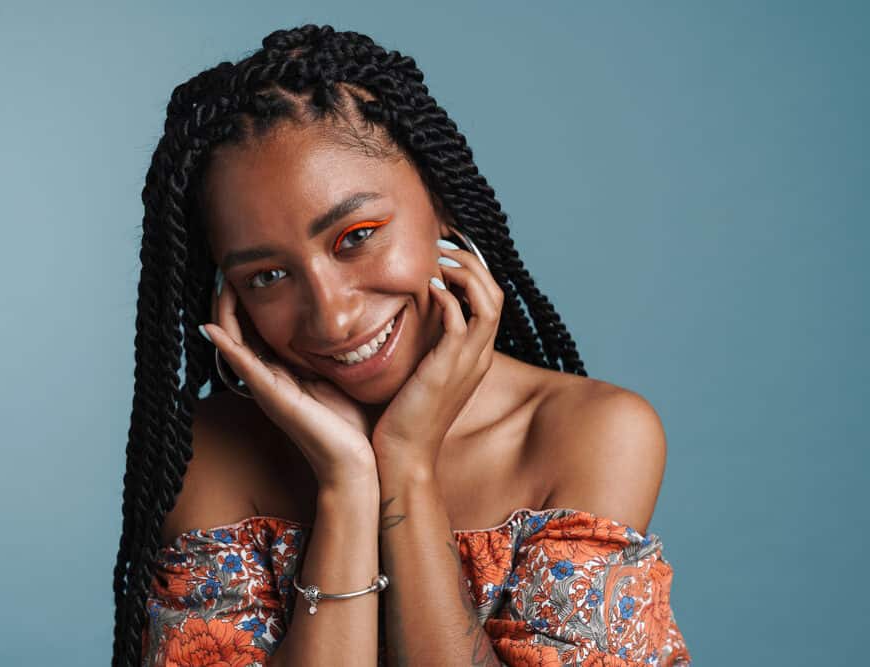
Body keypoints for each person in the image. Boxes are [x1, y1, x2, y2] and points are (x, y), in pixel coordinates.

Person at [112, 23, 692, 667]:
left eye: (356, 236)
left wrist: (406, 466)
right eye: (268, 276)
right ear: (232, 300)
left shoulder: (589, 434)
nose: (332, 318)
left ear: (441, 203)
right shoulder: (213, 454)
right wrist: (347, 486)